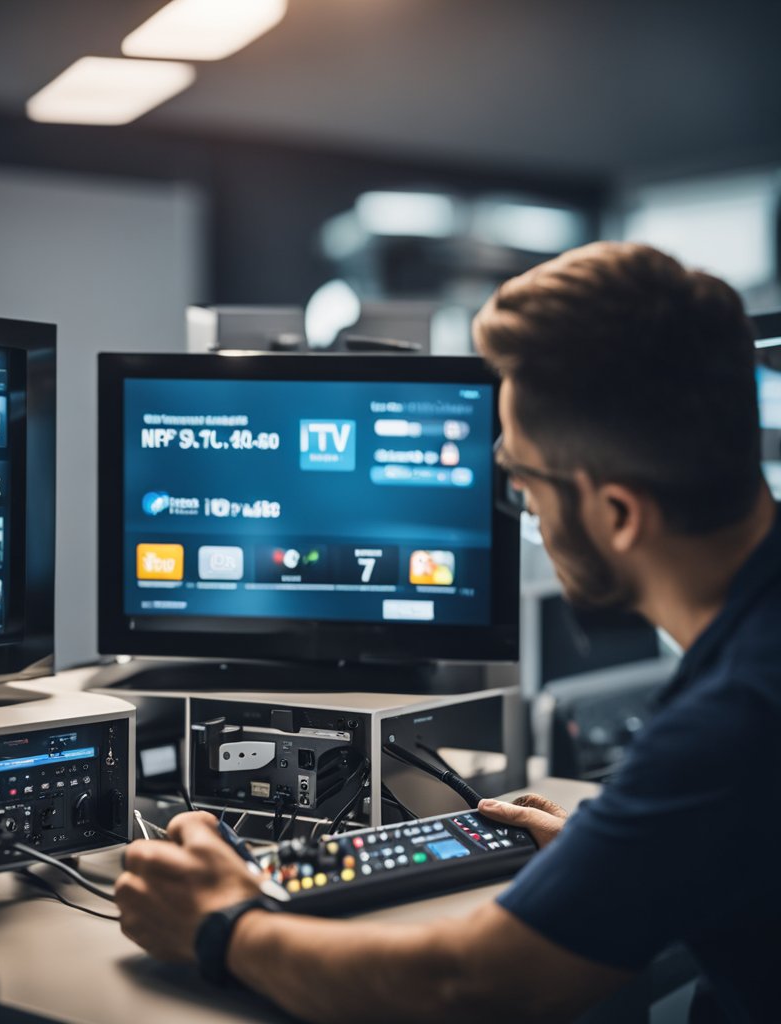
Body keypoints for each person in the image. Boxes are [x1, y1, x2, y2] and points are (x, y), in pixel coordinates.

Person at [115, 242, 780, 1024]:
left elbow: (466, 985)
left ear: (618, 513)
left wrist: (221, 927)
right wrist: (622, 857)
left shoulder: (736, 717)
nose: (520, 507)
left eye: (523, 479)